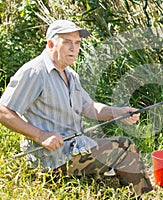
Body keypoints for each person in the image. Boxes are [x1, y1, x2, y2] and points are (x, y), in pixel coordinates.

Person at [0, 20, 153, 196]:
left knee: (115, 145)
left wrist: (117, 112)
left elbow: (88, 107)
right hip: (52, 160)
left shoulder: (70, 74)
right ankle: (142, 195)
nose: (74, 48)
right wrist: (41, 136)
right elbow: (3, 111)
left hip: (74, 150)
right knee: (124, 147)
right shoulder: (35, 72)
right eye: (67, 42)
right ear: (51, 43)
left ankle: (126, 190)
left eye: (77, 43)